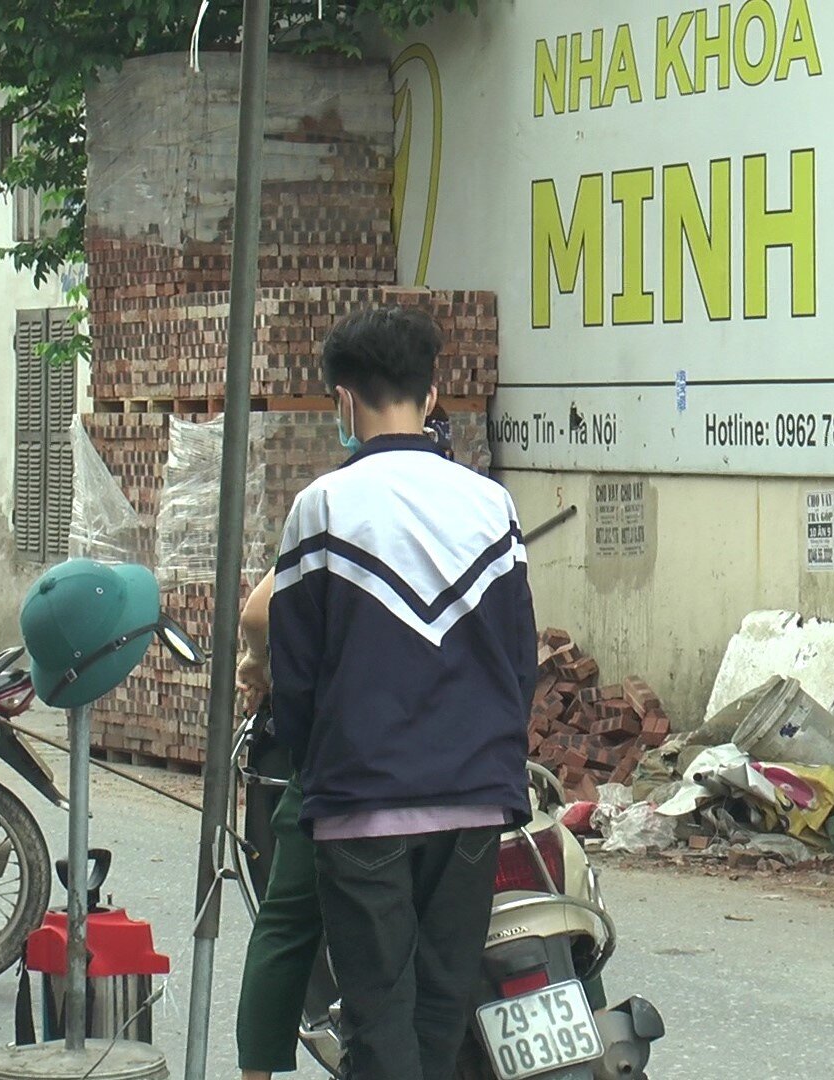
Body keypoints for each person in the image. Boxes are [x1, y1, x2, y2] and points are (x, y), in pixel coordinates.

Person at [269, 307, 539, 1080]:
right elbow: (519, 662)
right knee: (442, 1012)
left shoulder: (322, 508)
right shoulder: (491, 506)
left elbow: (298, 676)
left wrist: (314, 765)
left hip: (363, 805)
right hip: (475, 802)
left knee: (378, 1018)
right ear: (429, 398)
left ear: (343, 401)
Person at [234, 571, 326, 1080]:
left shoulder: (335, 502)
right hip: (481, 768)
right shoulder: (484, 510)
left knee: (286, 922)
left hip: (354, 759)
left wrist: (255, 659)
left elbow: (256, 613)